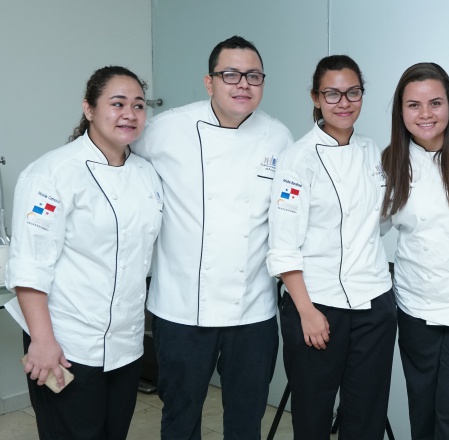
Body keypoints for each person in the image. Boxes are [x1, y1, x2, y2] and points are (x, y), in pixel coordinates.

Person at [131, 36, 294, 439]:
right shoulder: (166, 129)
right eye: (231, 75)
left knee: (246, 418)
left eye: (253, 76)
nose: (243, 84)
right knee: (181, 415)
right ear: (209, 82)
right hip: (182, 307)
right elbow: (122, 170)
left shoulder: (278, 137)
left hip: (253, 310)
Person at [4, 66, 162, 439]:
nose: (130, 113)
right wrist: (43, 342)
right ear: (89, 108)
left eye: (138, 105)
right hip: (66, 341)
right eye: (117, 103)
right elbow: (29, 265)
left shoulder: (146, 174)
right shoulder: (51, 173)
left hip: (125, 343)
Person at [267, 55, 396, 440]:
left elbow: (383, 220)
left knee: (366, 414)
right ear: (316, 98)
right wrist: (306, 311)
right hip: (318, 307)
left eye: (352, 92)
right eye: (333, 94)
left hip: (374, 303)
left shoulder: (374, 153)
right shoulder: (298, 159)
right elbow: (284, 243)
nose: (344, 102)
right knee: (313, 414)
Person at [380, 62, 449, 440]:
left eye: (435, 103)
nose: (425, 114)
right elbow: (362, 230)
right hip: (415, 309)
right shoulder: (388, 163)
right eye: (414, 105)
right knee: (423, 411)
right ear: (400, 111)